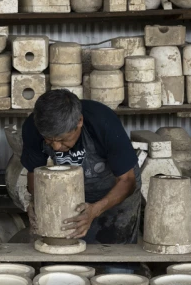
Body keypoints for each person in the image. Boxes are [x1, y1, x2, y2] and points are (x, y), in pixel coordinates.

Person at [21, 89, 142, 244]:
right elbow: (34, 172)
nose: (56, 147)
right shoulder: (33, 127)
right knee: (72, 248)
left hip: (115, 191)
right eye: (49, 141)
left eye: (62, 140)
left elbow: (127, 181)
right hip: (73, 195)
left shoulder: (103, 121)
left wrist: (95, 210)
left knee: (115, 251)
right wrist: (35, 201)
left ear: (79, 121)